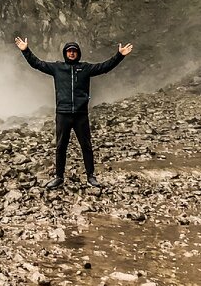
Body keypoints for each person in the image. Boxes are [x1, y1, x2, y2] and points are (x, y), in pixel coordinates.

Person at [15, 36, 133, 189]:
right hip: (63, 114)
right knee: (60, 147)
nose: (71, 53)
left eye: (74, 51)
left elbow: (104, 67)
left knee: (86, 146)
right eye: (69, 51)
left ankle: (91, 176)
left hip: (80, 114)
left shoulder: (85, 68)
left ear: (78, 53)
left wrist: (120, 55)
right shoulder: (57, 67)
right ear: (65, 53)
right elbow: (37, 64)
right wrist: (25, 51)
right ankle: (59, 177)